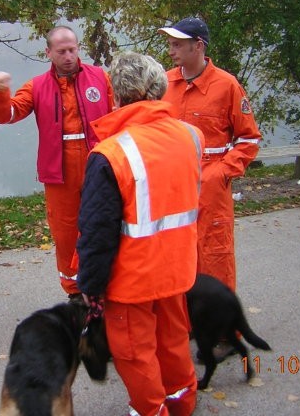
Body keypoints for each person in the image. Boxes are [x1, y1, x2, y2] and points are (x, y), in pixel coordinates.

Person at [76, 52, 203, 416]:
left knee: (134, 352)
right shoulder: (191, 136)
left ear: (117, 93)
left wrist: (91, 284)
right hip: (178, 269)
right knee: (174, 341)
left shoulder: (111, 152)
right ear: (160, 88)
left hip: (132, 279)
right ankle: (182, 403)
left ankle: (151, 411)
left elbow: (97, 231)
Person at [158, 17, 262, 358]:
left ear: (198, 45)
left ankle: (223, 334)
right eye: (170, 43)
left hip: (211, 193)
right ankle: (188, 323)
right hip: (173, 191)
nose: (171, 49)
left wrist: (219, 174)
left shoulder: (227, 85)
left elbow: (248, 140)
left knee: (215, 260)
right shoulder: (164, 84)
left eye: (177, 43)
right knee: (177, 259)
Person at [0, 26, 114, 301]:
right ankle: (74, 292)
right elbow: (7, 115)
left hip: (100, 162)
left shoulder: (100, 78)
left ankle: (107, 285)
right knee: (66, 230)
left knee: (104, 223)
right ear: (49, 53)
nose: (69, 56)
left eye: (72, 49)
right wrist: (1, 91)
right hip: (60, 169)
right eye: (61, 51)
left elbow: (121, 112)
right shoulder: (37, 86)